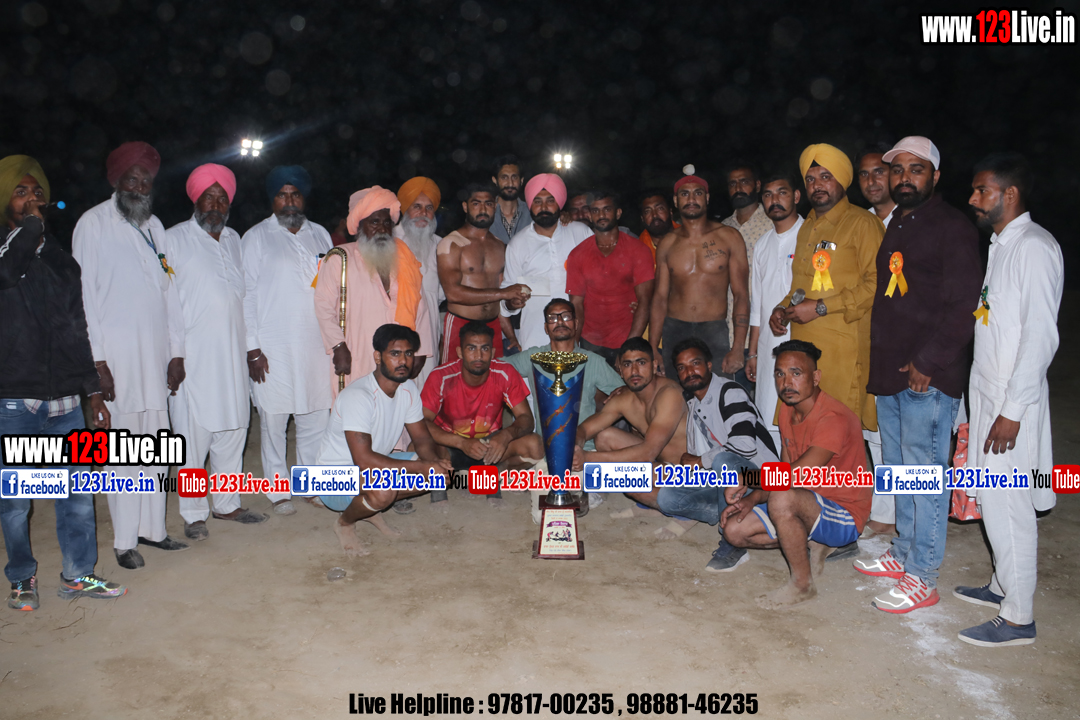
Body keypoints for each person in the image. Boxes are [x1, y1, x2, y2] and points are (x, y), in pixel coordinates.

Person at [855, 137, 981, 613]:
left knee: (924, 477)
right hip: (892, 375)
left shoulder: (952, 227)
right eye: (898, 169)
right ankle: (904, 552)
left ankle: (923, 576)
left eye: (917, 168)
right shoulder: (899, 224)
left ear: (935, 177)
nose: (904, 177)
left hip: (927, 377)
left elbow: (965, 306)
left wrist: (930, 361)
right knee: (901, 472)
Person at [1, 155, 127, 609]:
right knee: (17, 502)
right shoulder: (5, 249)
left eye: (38, 193)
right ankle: (21, 578)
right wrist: (31, 230)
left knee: (76, 494)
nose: (33, 199)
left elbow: (77, 327)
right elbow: (6, 273)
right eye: (21, 192)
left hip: (66, 405)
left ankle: (77, 574)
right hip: (15, 402)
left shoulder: (59, 258)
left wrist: (91, 390)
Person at [955, 153, 1063, 647]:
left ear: (1010, 194)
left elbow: (1040, 337)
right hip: (989, 396)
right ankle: (1002, 586)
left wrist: (1012, 412)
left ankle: (1019, 618)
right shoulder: (1002, 245)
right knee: (993, 498)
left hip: (1010, 404)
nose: (973, 199)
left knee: (1008, 504)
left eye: (982, 191)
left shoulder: (1034, 248)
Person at [72, 141, 189, 568]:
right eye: (132, 179)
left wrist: (176, 353)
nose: (139, 187)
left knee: (156, 449)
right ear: (117, 181)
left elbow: (170, 293)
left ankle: (153, 530)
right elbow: (84, 298)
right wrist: (97, 362)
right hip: (117, 361)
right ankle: (124, 541)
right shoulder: (93, 224)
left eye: (146, 180)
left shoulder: (155, 227)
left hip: (155, 359)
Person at [721, 340, 871, 609]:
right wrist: (752, 498)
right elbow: (784, 471)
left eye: (796, 373)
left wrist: (748, 479)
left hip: (843, 513)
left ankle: (803, 585)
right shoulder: (787, 409)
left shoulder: (833, 418)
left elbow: (798, 474)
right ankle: (815, 541)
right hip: (805, 501)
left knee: (782, 498)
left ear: (816, 377)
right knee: (734, 530)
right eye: (780, 374)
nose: (786, 382)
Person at [166, 164, 267, 540]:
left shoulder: (235, 240)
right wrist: (175, 353)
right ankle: (194, 514)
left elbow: (244, 300)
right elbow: (166, 301)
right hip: (192, 357)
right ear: (195, 199)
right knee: (193, 437)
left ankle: (226, 504)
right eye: (208, 197)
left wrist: (251, 349)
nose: (215, 204)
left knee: (234, 428)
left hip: (232, 356)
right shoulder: (173, 238)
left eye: (222, 198)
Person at [769, 144, 883, 437]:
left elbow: (877, 283)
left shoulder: (863, 223)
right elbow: (800, 287)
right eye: (810, 179)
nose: (816, 185)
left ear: (842, 180)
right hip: (804, 354)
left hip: (842, 352)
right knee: (804, 433)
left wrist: (820, 307)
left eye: (825, 177)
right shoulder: (807, 226)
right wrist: (782, 308)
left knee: (838, 436)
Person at [242, 165, 333, 517]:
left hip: (315, 345)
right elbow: (247, 295)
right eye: (282, 195)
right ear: (273, 200)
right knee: (274, 422)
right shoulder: (256, 237)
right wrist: (252, 348)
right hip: (272, 347)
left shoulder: (320, 235)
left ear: (303, 198)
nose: (289, 200)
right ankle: (278, 492)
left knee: (314, 418)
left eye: (295, 194)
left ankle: (310, 486)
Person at [315, 324, 453, 556]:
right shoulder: (359, 396)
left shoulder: (407, 388)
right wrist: (423, 467)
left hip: (370, 468)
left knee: (440, 461)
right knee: (384, 490)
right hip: (332, 478)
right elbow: (363, 460)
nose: (403, 361)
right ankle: (345, 523)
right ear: (378, 357)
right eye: (395, 354)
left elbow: (421, 438)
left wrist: (433, 465)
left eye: (408, 353)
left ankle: (369, 507)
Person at [656, 338, 779, 571]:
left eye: (695, 363)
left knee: (723, 461)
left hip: (763, 478)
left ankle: (732, 542)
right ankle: (735, 515)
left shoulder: (730, 391)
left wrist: (700, 461)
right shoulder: (693, 404)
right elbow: (700, 460)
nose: (689, 372)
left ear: (709, 365)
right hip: (728, 480)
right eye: (682, 367)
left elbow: (745, 445)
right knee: (667, 497)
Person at [505, 299, 625, 514]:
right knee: (543, 516)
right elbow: (497, 369)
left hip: (585, 451)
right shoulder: (533, 358)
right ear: (545, 327)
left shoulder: (593, 360)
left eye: (566, 316)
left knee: (575, 503)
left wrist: (619, 396)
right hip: (547, 452)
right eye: (553, 318)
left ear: (576, 323)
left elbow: (625, 394)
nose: (560, 322)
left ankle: (590, 485)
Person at [315, 186, 433, 396]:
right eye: (374, 222)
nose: (382, 229)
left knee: (398, 410)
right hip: (358, 354)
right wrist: (338, 346)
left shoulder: (404, 258)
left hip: (399, 359)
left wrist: (421, 350)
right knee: (358, 409)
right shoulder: (340, 258)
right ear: (360, 225)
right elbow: (323, 306)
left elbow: (420, 307)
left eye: (387, 223)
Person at [421, 321, 543, 507]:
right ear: (460, 352)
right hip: (450, 446)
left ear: (492, 353)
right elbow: (422, 423)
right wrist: (461, 443)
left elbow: (526, 419)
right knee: (418, 449)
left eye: (485, 349)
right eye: (471, 348)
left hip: (490, 448)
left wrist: (505, 436)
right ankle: (468, 477)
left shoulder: (504, 373)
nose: (478, 356)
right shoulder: (441, 376)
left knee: (535, 445)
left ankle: (485, 476)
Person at [572, 337, 688, 516]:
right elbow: (585, 429)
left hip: (686, 472)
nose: (634, 371)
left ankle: (686, 508)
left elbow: (648, 452)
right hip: (659, 465)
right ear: (620, 370)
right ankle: (659, 501)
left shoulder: (670, 394)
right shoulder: (624, 398)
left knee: (628, 480)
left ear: (654, 365)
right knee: (604, 437)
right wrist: (574, 447)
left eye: (641, 363)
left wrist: (587, 458)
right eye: (627, 364)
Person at [650, 171, 748, 380]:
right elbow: (659, 297)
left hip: (714, 329)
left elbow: (741, 294)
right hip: (675, 329)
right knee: (675, 394)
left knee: (719, 393)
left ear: (707, 197)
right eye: (685, 194)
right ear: (676, 201)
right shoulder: (667, 243)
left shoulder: (729, 237)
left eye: (698, 193)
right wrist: (653, 347)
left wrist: (739, 347)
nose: (691, 199)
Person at [436, 183, 529, 363]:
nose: (483, 209)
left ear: (495, 206)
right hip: (461, 324)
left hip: (492, 326)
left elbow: (500, 298)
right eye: (476, 203)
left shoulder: (500, 246)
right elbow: (453, 293)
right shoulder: (451, 243)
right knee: (454, 378)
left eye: (488, 204)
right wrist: (504, 293)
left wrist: (511, 335)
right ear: (465, 207)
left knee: (493, 379)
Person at [500, 173, 591, 351]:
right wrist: (512, 303)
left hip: (582, 335)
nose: (543, 207)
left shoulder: (580, 233)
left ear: (559, 203)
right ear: (530, 205)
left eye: (550, 200)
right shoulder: (517, 244)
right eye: (537, 201)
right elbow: (507, 297)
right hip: (535, 338)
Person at [746, 172, 804, 451]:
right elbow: (757, 305)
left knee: (802, 419)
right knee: (768, 417)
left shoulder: (810, 236)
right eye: (768, 195)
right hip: (769, 348)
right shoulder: (762, 244)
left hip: (803, 341)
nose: (774, 200)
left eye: (782, 192)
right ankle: (775, 476)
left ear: (796, 196)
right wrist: (752, 353)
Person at [566, 190, 655, 365]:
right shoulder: (577, 254)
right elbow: (576, 305)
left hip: (628, 337)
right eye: (596, 211)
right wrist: (574, 346)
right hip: (590, 341)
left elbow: (645, 302)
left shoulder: (638, 250)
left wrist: (628, 349)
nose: (601, 215)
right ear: (590, 215)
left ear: (618, 213)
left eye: (607, 209)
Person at [394, 177, 444, 387]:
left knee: (425, 396)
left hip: (429, 334)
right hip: (393, 333)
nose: (423, 213)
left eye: (429, 208)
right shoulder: (389, 242)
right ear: (405, 209)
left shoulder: (441, 246)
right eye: (417, 207)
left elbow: (440, 296)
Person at [721, 161, 772, 354]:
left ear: (757, 185)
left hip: (766, 329)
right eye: (732, 184)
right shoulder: (723, 228)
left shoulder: (773, 224)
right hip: (726, 332)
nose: (738, 188)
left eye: (744, 182)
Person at [490, 155, 529, 244]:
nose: (510, 183)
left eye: (514, 177)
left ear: (521, 180)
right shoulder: (486, 212)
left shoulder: (531, 213)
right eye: (504, 177)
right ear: (495, 180)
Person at [856, 142, 897, 226]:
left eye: (879, 172)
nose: (870, 181)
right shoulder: (860, 224)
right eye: (864, 174)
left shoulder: (913, 219)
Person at [637, 189, 677, 263]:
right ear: (642, 219)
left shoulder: (688, 236)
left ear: (670, 212)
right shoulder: (638, 250)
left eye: (660, 209)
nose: (654, 215)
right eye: (647, 211)